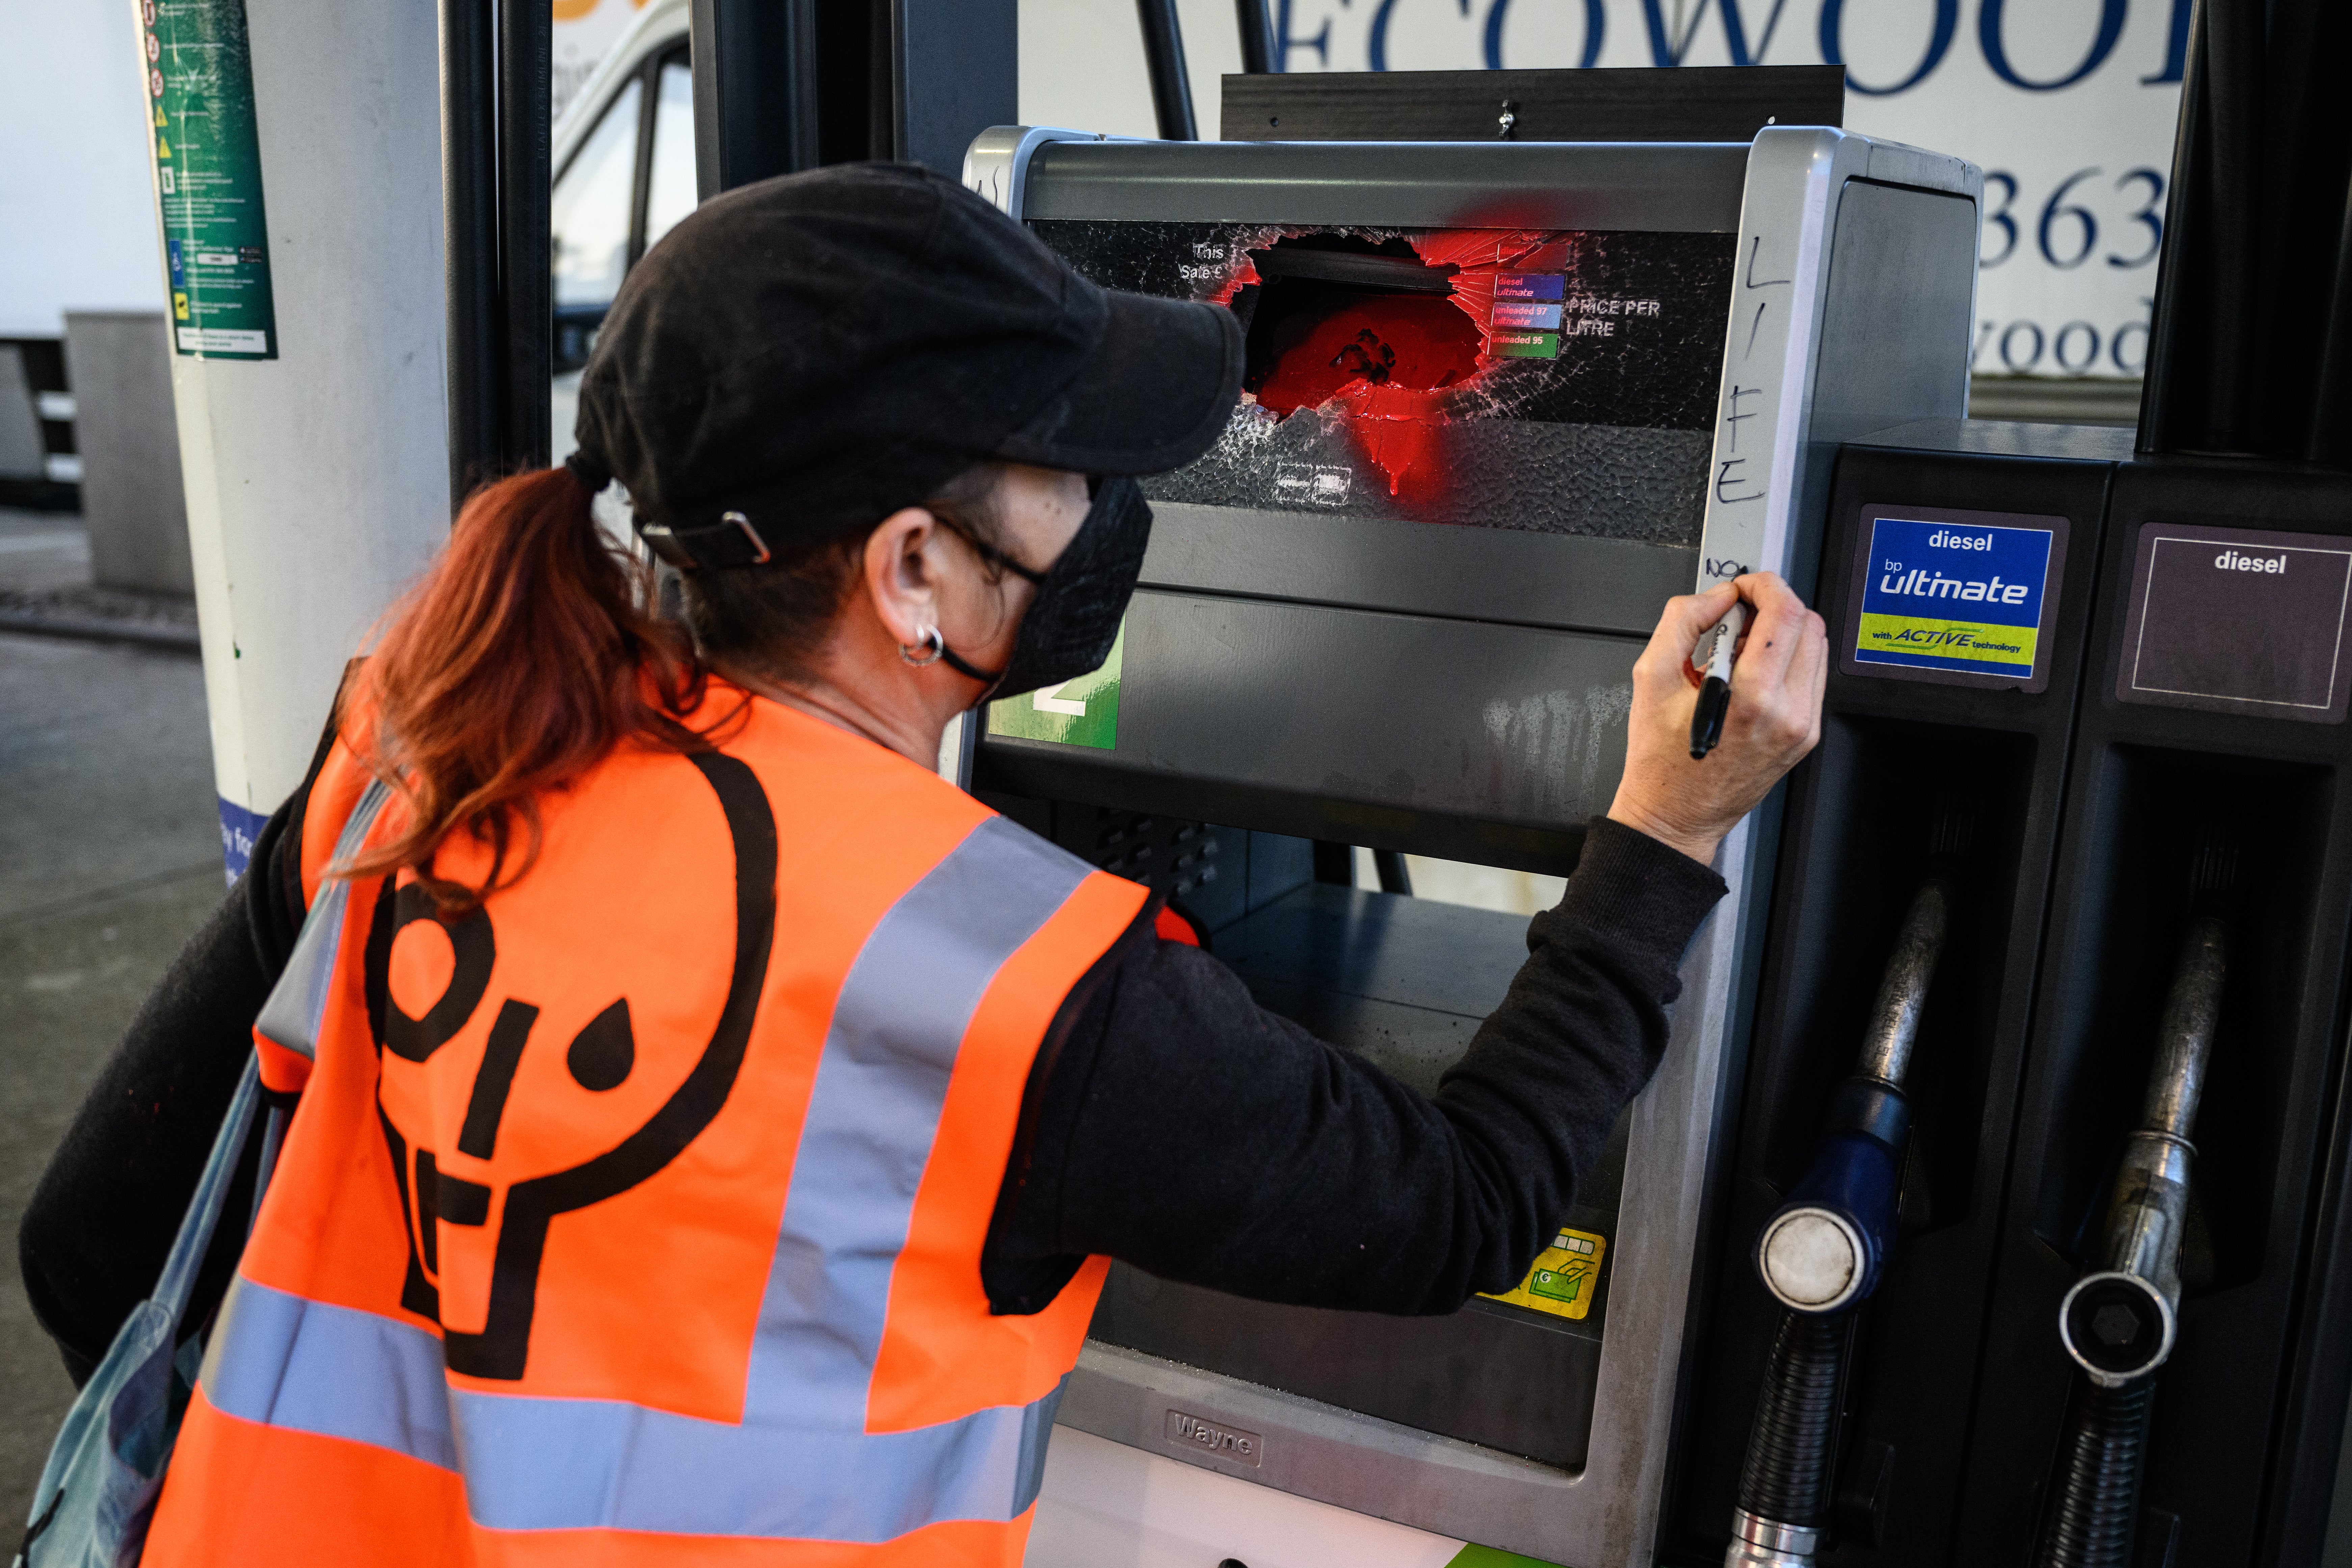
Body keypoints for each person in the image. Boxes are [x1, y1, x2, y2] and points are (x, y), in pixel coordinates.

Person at [20, 163, 1826, 1566]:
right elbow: (1463, 1200)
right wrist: (1665, 829)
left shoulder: (408, 760)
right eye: (1067, 471)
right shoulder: (1006, 973)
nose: (1101, 518)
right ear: (908, 569)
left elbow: (94, 1245)